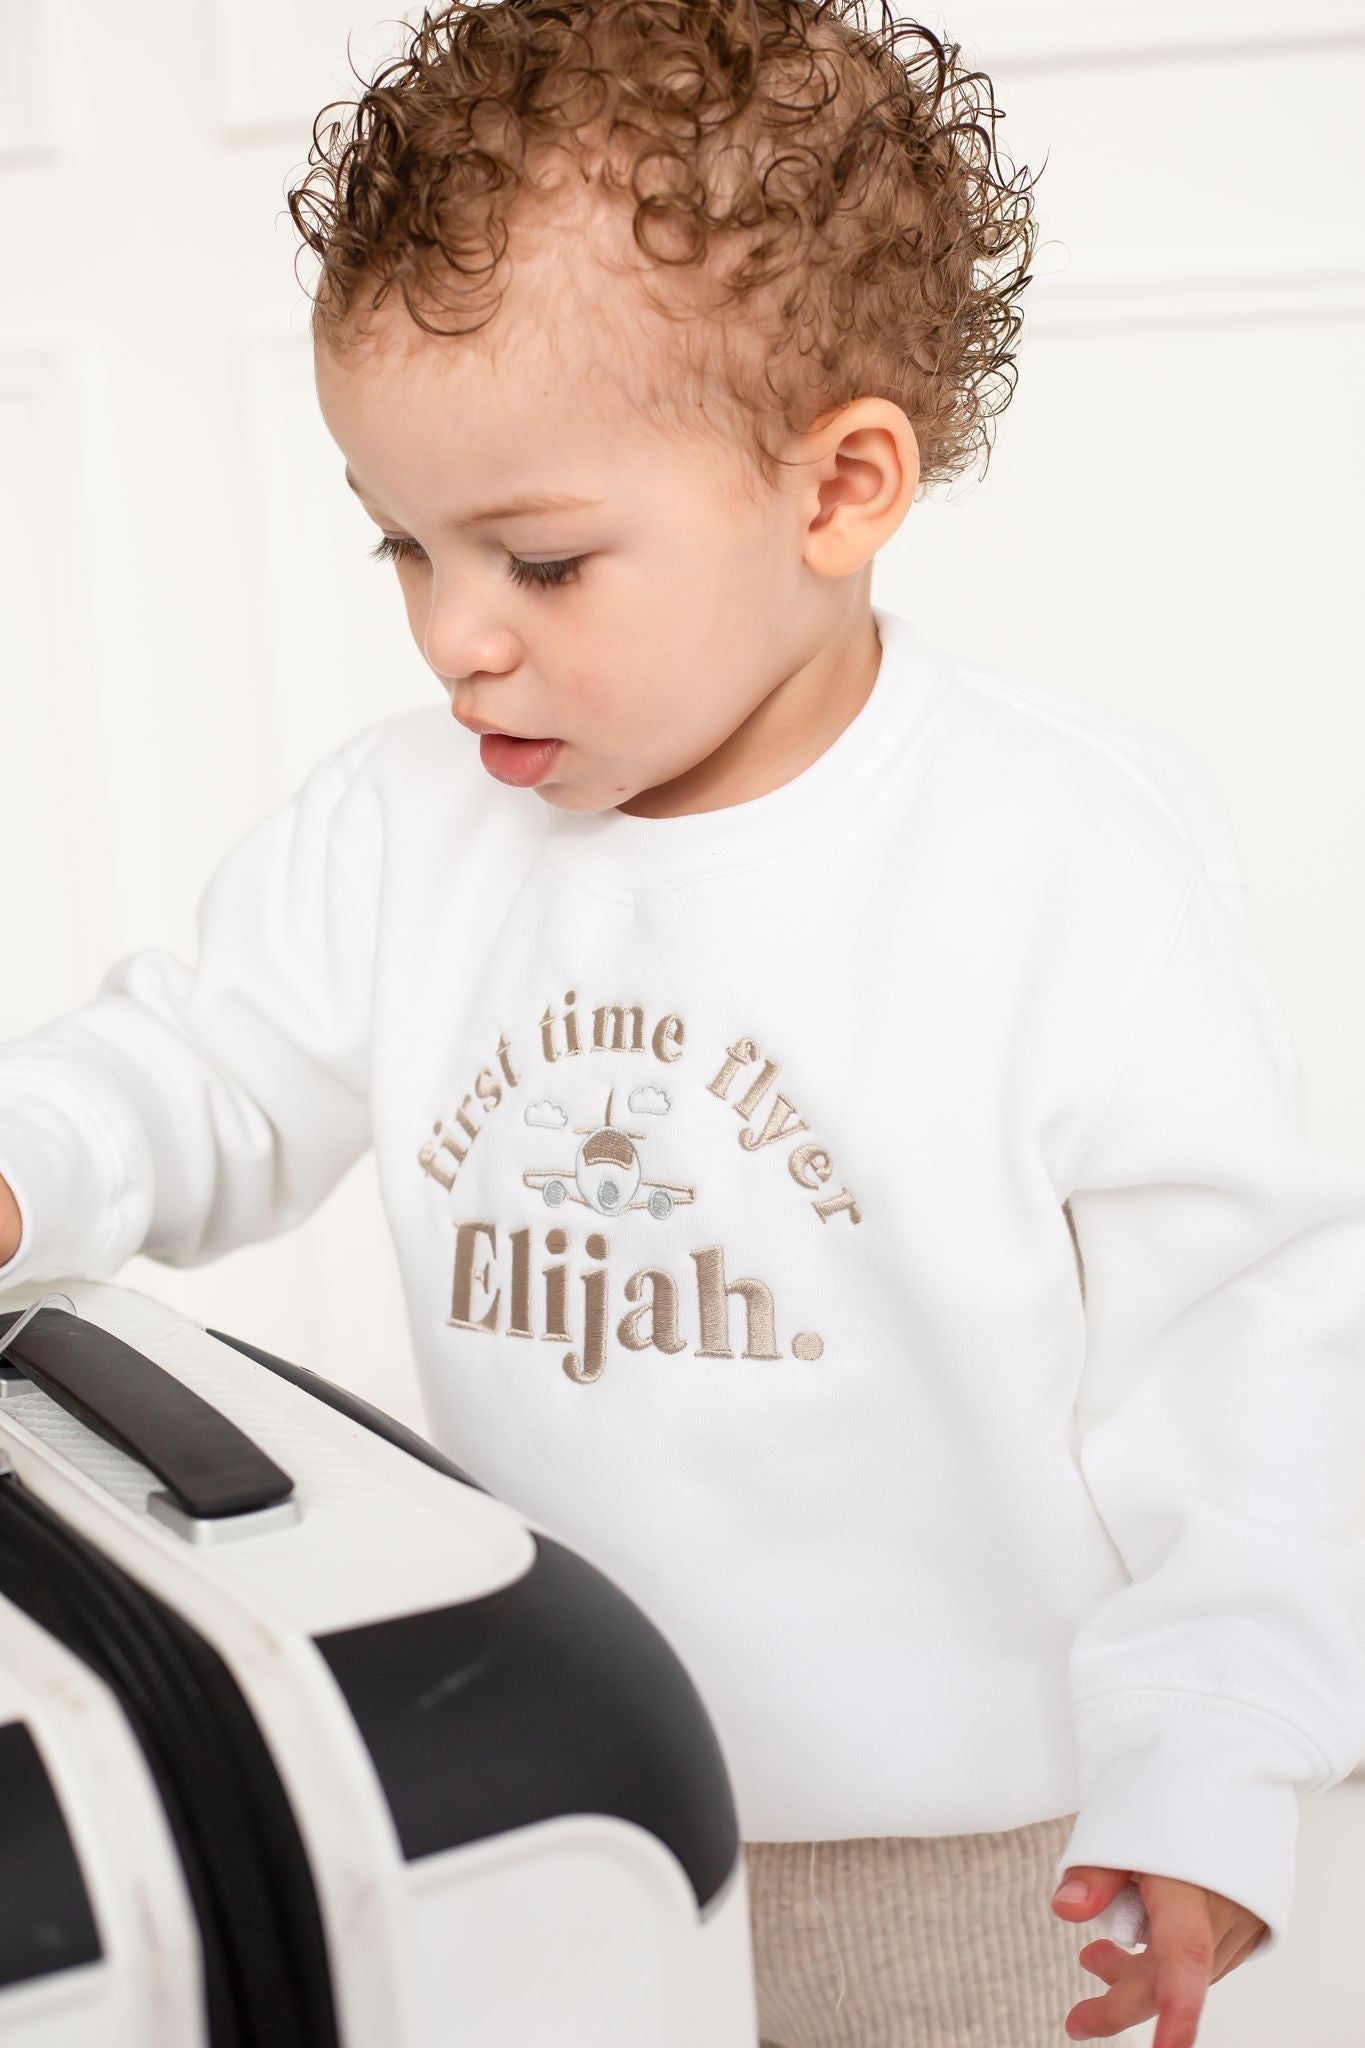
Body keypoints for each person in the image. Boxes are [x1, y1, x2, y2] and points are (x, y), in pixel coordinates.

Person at [2, 4, 1362, 2042]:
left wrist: (1218, 1739)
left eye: (541, 560)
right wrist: (32, 1159)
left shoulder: (1055, 862)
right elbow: (203, 1062)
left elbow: (1242, 1345)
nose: (452, 634)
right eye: (401, 543)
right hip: (557, 1798)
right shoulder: (405, 826)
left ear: (838, 486)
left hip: (972, 1859)